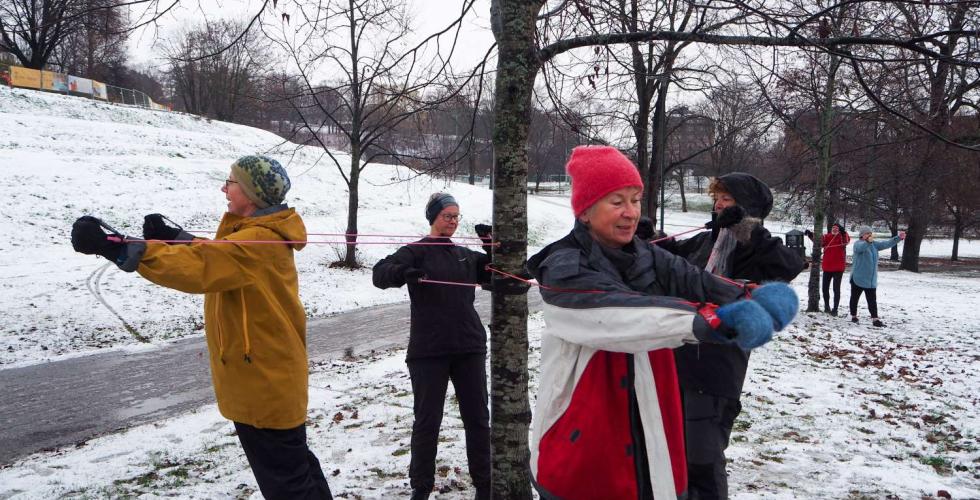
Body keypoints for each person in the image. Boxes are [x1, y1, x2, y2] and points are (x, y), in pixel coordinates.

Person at [526, 146, 799, 500]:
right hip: (584, 431)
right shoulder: (563, 266)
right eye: (617, 201)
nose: (630, 212)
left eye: (635, 199)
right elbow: (619, 315)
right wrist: (712, 320)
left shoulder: (644, 254)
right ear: (586, 210)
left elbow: (694, 280)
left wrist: (748, 295)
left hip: (652, 406)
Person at [70, 155, 332, 500]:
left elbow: (203, 266)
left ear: (252, 195)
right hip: (267, 381)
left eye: (231, 182)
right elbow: (218, 255)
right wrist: (179, 239)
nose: (224, 188)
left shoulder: (257, 242)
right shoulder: (255, 237)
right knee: (295, 472)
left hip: (264, 385)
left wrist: (117, 248)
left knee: (288, 485)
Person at [656, 172, 804, 500]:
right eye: (717, 198)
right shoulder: (705, 241)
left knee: (702, 457)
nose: (718, 204)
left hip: (717, 368)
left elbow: (789, 264)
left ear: (745, 206)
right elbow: (667, 259)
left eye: (727, 198)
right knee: (673, 453)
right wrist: (649, 237)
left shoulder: (756, 247)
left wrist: (745, 228)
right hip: (678, 359)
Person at [371, 193, 493, 500]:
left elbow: (500, 275)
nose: (452, 221)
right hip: (428, 351)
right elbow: (380, 273)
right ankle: (421, 488)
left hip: (469, 347)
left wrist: (490, 245)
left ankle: (485, 484)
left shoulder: (464, 255)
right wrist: (403, 273)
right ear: (433, 217)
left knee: (477, 418)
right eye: (447, 216)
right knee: (427, 421)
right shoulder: (416, 251)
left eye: (456, 217)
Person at [849, 226, 905, 327]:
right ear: (862, 235)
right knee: (854, 298)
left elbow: (886, 244)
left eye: (870, 233)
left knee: (872, 300)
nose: (870, 235)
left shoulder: (874, 244)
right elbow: (861, 248)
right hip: (858, 278)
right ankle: (853, 316)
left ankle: (875, 319)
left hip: (870, 279)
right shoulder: (858, 244)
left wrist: (898, 238)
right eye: (867, 233)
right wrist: (867, 242)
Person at [805, 222, 851, 316]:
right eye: (833, 228)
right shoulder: (827, 236)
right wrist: (810, 234)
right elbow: (818, 241)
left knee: (836, 289)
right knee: (825, 288)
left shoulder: (843, 236)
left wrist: (842, 232)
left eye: (836, 228)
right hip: (827, 267)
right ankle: (827, 306)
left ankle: (835, 309)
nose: (834, 229)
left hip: (838, 268)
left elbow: (845, 242)